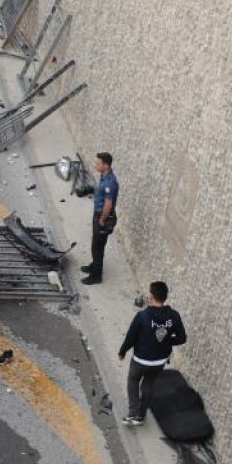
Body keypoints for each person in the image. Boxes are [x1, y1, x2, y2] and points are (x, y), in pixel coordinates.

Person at [117, 281, 186, 426]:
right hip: (159, 362)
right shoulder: (174, 316)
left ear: (152, 296)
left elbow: (130, 337)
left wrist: (122, 351)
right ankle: (141, 416)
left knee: (133, 381)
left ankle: (133, 413)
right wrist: (167, 341)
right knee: (148, 385)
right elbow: (182, 339)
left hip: (140, 360)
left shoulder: (142, 316)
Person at [80, 152, 118, 285]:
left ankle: (96, 275)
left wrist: (102, 220)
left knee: (98, 247)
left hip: (103, 217)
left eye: (98, 163)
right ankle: (94, 265)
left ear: (106, 165)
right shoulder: (104, 176)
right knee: (95, 244)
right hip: (98, 214)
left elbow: (108, 205)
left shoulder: (110, 183)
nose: (95, 165)